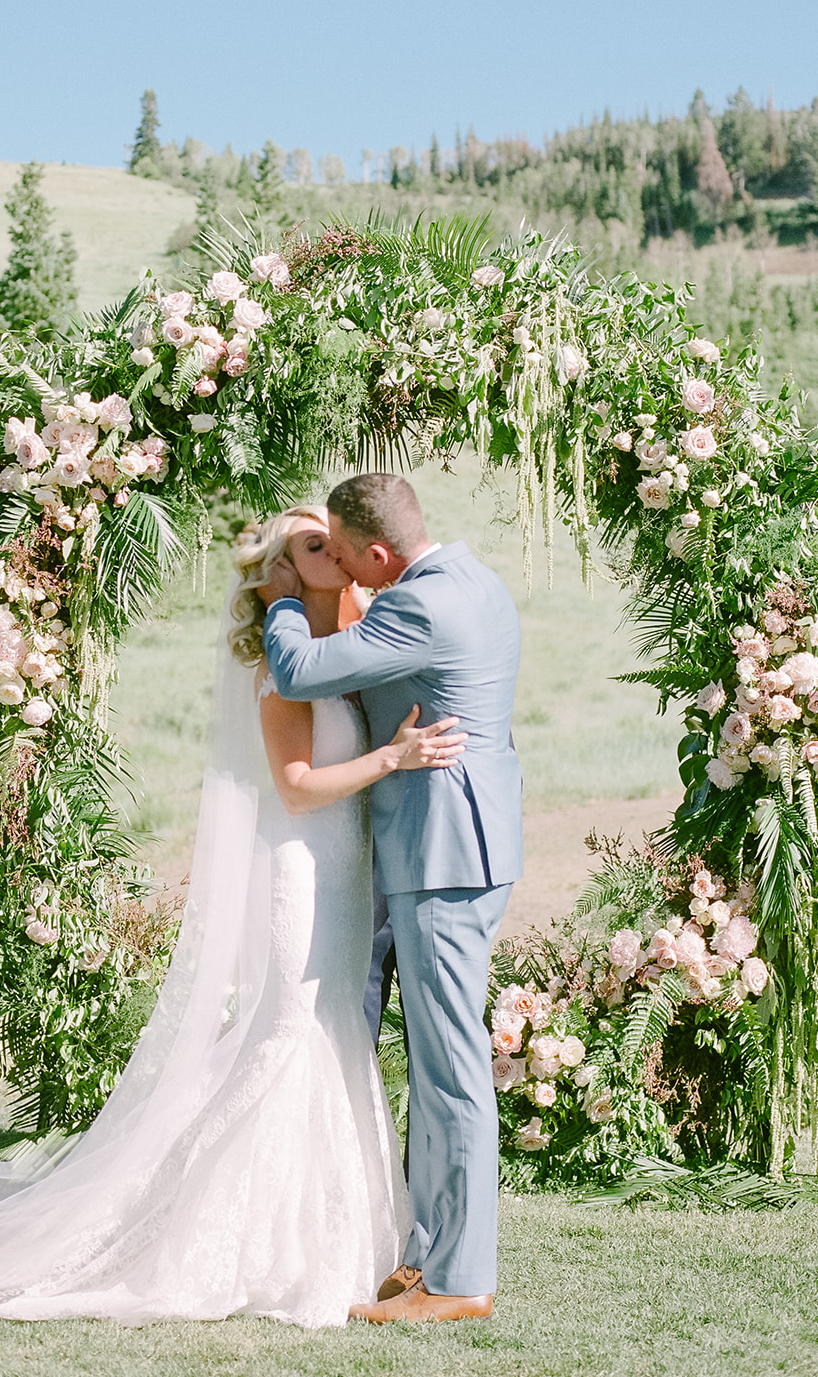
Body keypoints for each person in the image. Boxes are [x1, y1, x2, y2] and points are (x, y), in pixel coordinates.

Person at [0, 504, 467, 1332]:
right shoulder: (279, 669)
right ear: (283, 572)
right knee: (289, 1032)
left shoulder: (345, 653)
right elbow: (294, 787)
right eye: (315, 545)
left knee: (330, 1033)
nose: (338, 550)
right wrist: (390, 756)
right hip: (302, 873)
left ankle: (329, 1237)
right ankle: (210, 1230)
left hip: (349, 878)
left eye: (338, 537)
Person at [262, 473, 523, 1325]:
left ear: (379, 553)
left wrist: (280, 597)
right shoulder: (473, 579)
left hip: (443, 850)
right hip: (460, 843)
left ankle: (458, 1282)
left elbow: (297, 670)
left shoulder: (418, 607)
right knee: (437, 1061)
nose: (334, 561)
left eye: (342, 551)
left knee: (449, 1072)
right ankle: (427, 1255)